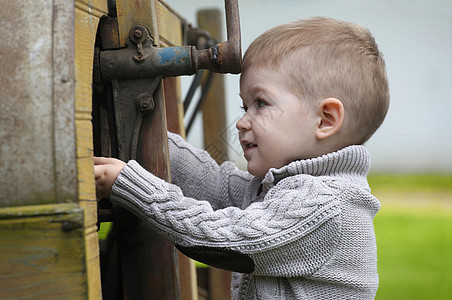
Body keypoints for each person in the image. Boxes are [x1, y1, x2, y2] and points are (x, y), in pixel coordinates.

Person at [94, 17, 389, 299]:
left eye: (260, 103)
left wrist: (133, 186)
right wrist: (141, 137)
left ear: (325, 120)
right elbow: (213, 183)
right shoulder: (287, 188)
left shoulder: (323, 206)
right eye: (245, 106)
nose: (242, 122)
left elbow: (221, 239)